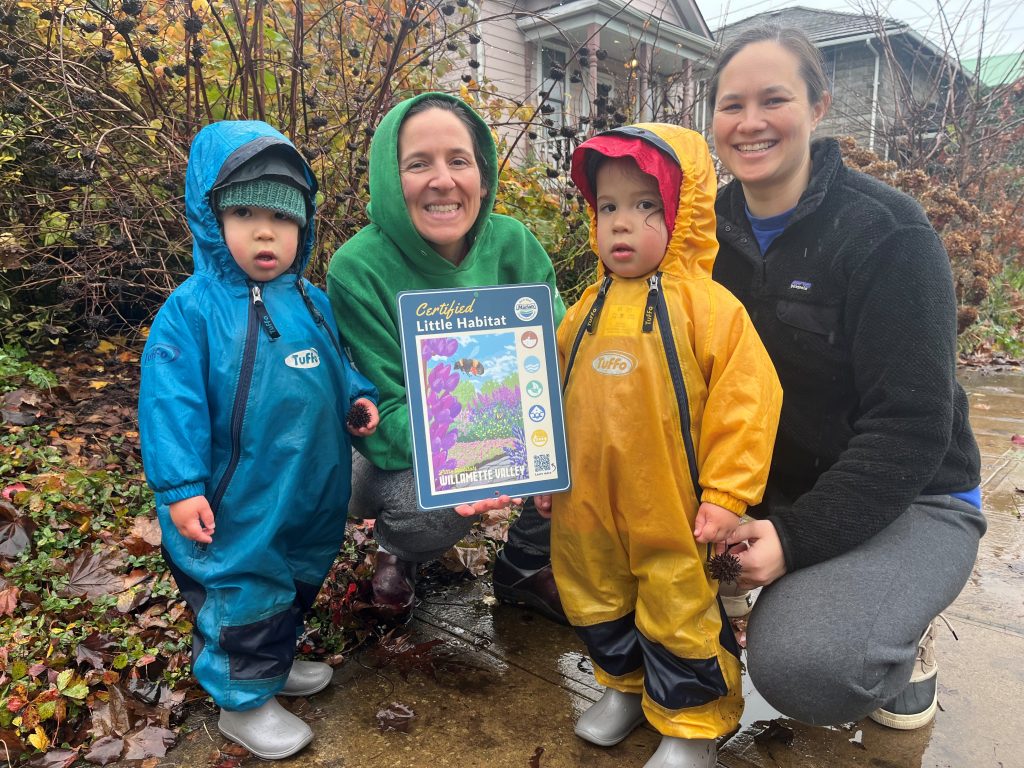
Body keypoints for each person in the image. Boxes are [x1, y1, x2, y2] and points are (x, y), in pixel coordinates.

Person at [708, 25, 987, 732]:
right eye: (731, 103)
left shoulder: (888, 234)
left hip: (912, 494)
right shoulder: (697, 232)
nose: (750, 122)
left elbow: (912, 426)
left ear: (819, 104)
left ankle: (898, 640)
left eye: (775, 99)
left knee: (809, 664)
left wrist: (795, 540)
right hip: (767, 482)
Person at [534, 124, 782, 768]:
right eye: (609, 206)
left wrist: (728, 494)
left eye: (646, 206)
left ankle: (691, 723)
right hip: (583, 501)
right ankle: (622, 686)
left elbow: (747, 404)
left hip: (670, 505)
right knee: (592, 592)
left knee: (678, 604)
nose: (622, 224)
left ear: (685, 211)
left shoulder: (711, 310)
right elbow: (545, 397)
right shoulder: (580, 310)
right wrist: (539, 468)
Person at [139, 120, 380, 760]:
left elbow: (338, 362)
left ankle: (272, 663)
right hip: (236, 496)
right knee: (244, 585)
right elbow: (171, 405)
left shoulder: (311, 300)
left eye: (283, 216)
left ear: (304, 226)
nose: (265, 231)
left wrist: (358, 397)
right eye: (244, 212)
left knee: (297, 572)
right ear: (211, 215)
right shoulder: (192, 311)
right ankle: (242, 702)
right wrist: (182, 487)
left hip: (309, 486)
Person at [326, 93, 567, 623]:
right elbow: (384, 419)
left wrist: (539, 452)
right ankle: (399, 549)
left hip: (499, 429)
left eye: (458, 160)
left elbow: (560, 363)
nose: (443, 180)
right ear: (391, 179)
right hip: (388, 451)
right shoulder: (358, 268)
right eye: (418, 164)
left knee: (596, 423)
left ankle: (526, 563)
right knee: (429, 509)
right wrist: (485, 459)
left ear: (481, 174)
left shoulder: (515, 246)